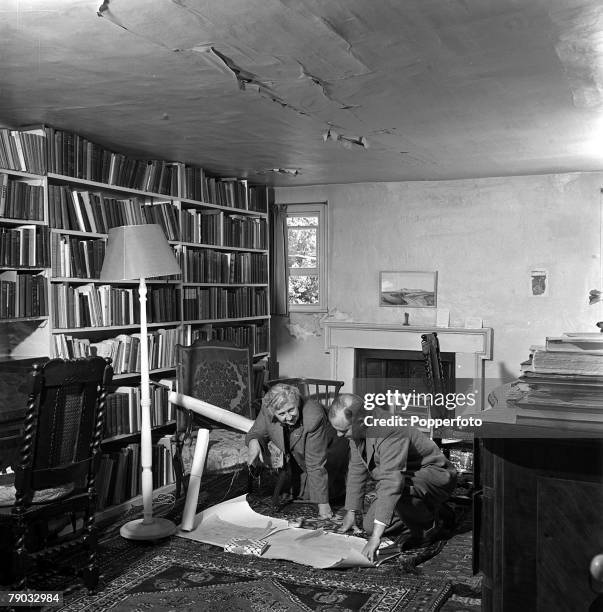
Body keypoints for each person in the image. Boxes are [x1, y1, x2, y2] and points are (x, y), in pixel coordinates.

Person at [328, 393, 457, 562]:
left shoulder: (389, 429)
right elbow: (356, 469)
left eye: (343, 430)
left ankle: (428, 528)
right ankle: (435, 509)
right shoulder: (358, 429)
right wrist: (351, 511)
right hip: (406, 477)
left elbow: (391, 482)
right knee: (369, 525)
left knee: (396, 496)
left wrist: (376, 538)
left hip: (434, 476)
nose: (338, 435)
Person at [245, 383, 347, 519]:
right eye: (281, 414)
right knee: (301, 492)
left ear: (297, 402)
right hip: (299, 449)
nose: (288, 417)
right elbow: (257, 431)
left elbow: (315, 462)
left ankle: (337, 489)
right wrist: (254, 443)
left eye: (291, 410)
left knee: (328, 494)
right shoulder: (268, 406)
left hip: (331, 446)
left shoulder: (313, 416)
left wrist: (323, 503)